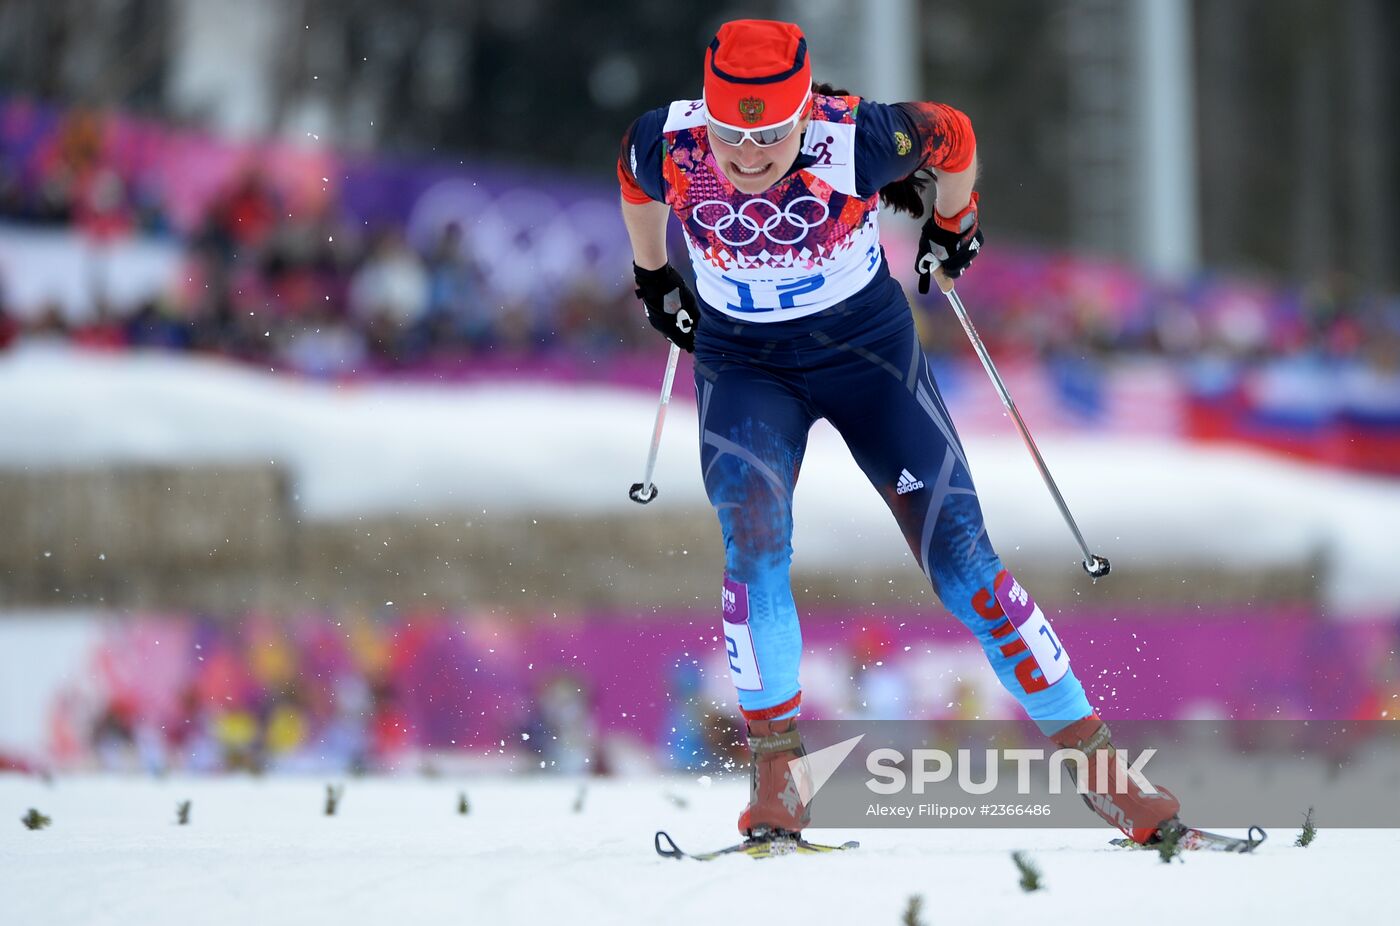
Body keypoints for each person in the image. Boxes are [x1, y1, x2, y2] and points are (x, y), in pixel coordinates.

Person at [617, 19, 1178, 845]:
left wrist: (956, 221)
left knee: (964, 568)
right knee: (755, 545)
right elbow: (634, 180)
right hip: (745, 366)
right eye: (731, 134)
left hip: (867, 359)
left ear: (803, 116)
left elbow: (954, 135)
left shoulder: (860, 140)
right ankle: (777, 776)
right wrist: (653, 272)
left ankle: (1103, 773)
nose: (747, 156)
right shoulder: (668, 143)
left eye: (770, 136)